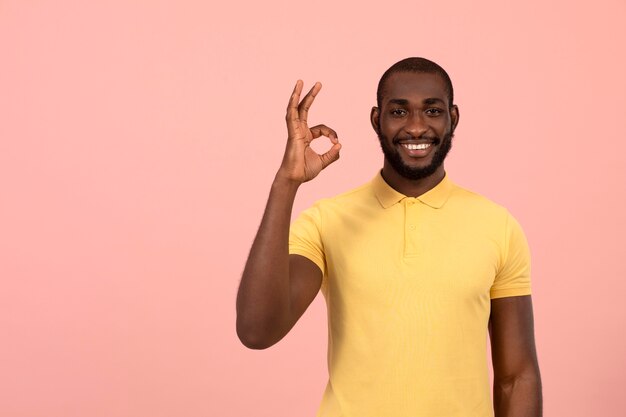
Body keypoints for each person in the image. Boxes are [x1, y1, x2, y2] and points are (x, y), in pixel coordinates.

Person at [236, 57, 542, 417]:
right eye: (399, 112)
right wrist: (286, 182)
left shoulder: (498, 226)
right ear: (376, 120)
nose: (416, 127)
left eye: (432, 111)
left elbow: (516, 377)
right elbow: (257, 331)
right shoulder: (326, 221)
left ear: (452, 118)